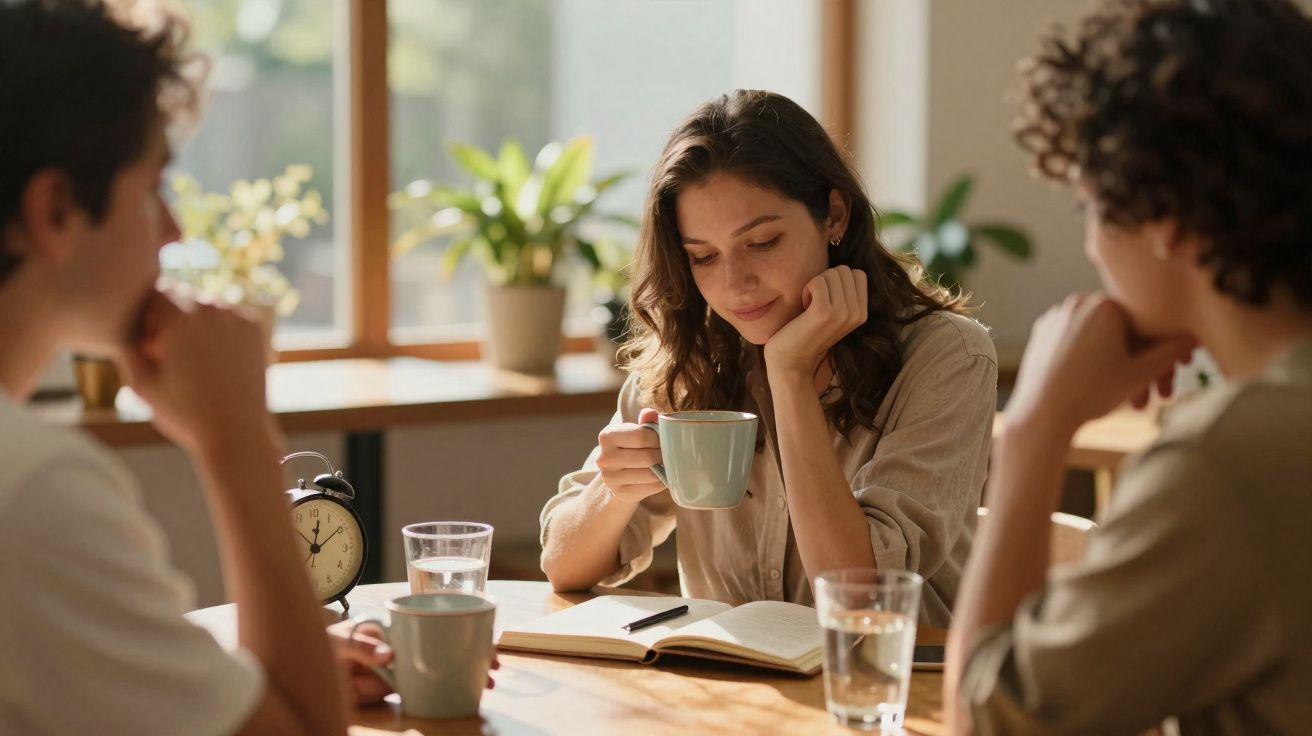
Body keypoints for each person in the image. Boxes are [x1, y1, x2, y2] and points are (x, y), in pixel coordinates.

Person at [0, 1, 462, 732]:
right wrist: (236, 433)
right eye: (154, 186)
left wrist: (228, 673)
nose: (176, 230)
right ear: (56, 208)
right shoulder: (33, 490)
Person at [946, 0, 1312, 732]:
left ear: (1165, 220)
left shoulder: (1232, 460)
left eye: (1088, 206)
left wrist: (1033, 433)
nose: (1089, 247)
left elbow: (986, 722)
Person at [539, 90, 997, 625]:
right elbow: (563, 568)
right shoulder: (691, 357)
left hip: (890, 689)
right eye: (703, 257)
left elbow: (859, 595)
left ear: (834, 215)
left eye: (762, 242)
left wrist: (790, 373)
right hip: (738, 692)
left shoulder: (947, 357)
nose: (735, 286)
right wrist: (613, 493)